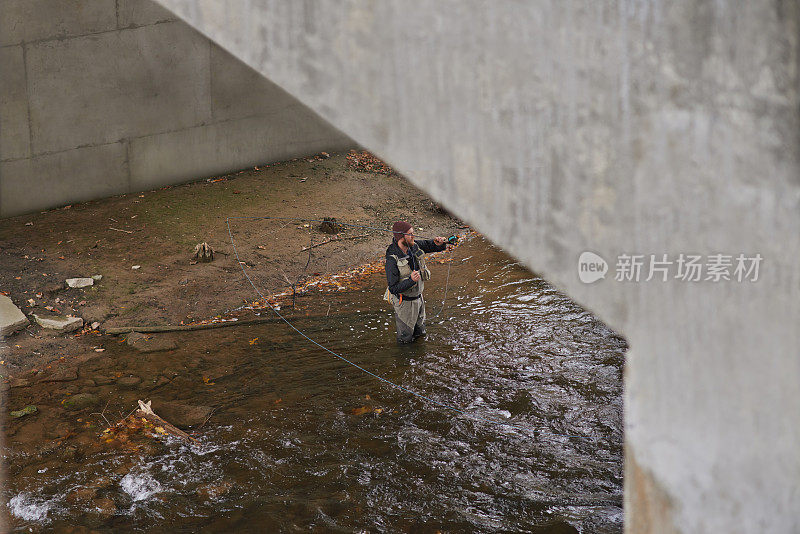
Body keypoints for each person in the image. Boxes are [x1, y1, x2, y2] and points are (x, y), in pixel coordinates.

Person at [384, 221, 451, 344]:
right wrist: (411, 281)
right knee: (405, 340)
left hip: (419, 300)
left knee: (420, 335)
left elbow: (429, 245)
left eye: (413, 233)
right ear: (401, 237)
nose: (414, 236)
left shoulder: (413, 246)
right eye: (410, 234)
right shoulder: (391, 258)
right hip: (404, 304)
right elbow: (392, 288)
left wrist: (439, 243)